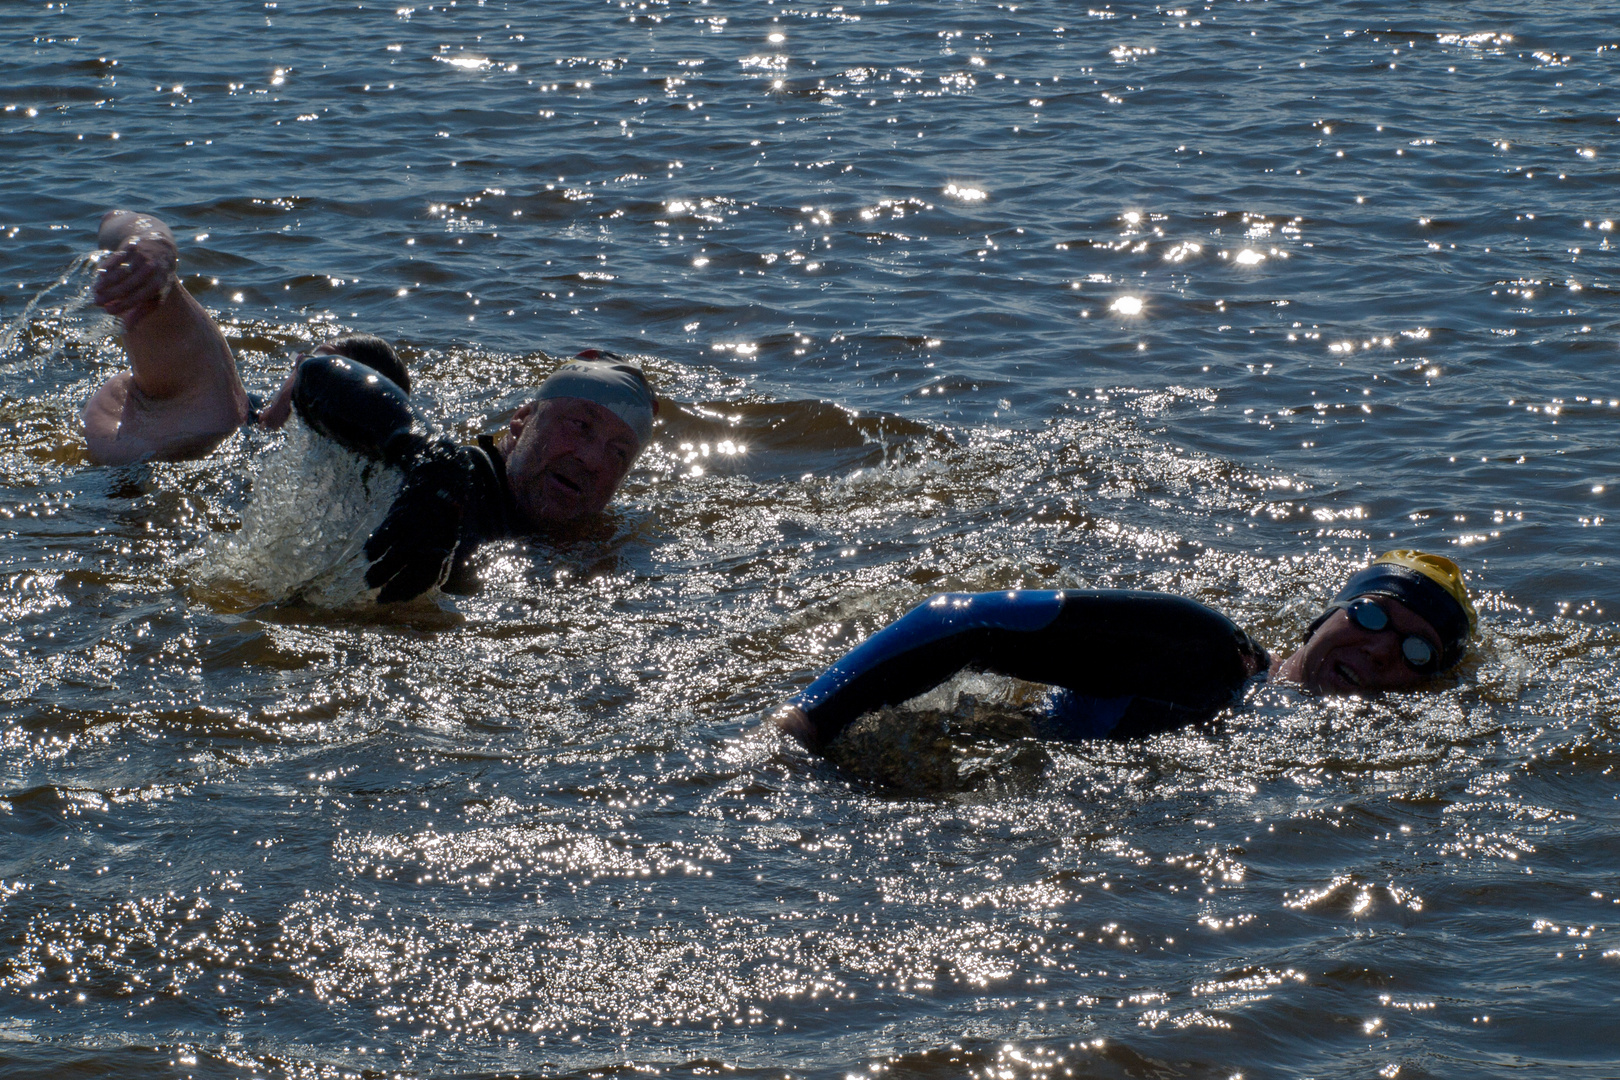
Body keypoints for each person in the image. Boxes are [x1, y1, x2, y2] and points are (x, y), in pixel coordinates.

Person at [83, 209, 658, 601]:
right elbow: (316, 376)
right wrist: (149, 248)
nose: (590, 457)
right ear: (521, 420)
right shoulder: (442, 472)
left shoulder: (586, 550)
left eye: (618, 451)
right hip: (172, 465)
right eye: (580, 425)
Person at [772, 550, 1477, 753]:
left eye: (1418, 651)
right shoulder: (1198, 653)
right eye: (1370, 614)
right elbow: (959, 622)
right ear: (1322, 617)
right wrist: (802, 730)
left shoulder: (1369, 760)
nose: (1382, 649)